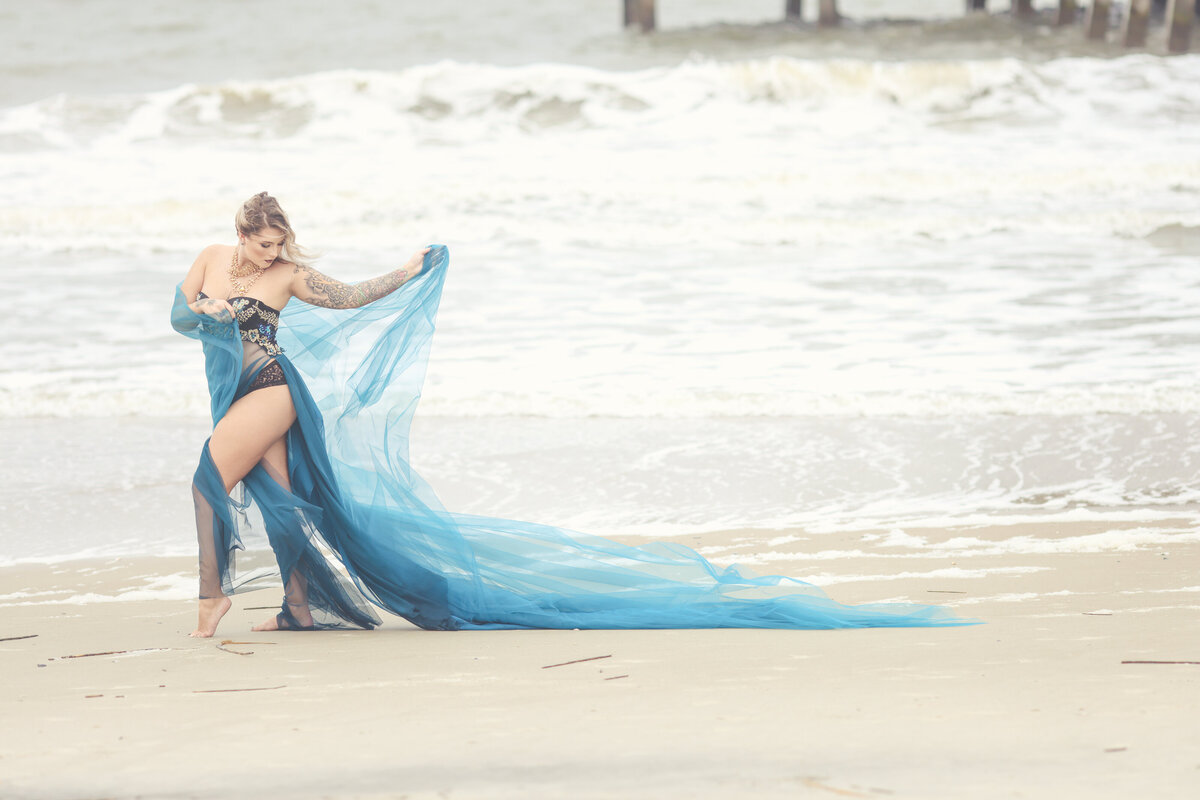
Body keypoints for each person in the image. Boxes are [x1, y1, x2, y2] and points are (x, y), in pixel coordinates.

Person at [173, 192, 972, 638]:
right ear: (241, 231)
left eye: (281, 248)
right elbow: (181, 315)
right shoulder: (212, 258)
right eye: (262, 246)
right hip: (238, 388)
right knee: (288, 503)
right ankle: (299, 608)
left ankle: (214, 596)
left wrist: (410, 268)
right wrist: (209, 302)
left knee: (210, 478)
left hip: (274, 387)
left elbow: (350, 297)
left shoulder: (295, 277)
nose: (270, 258)